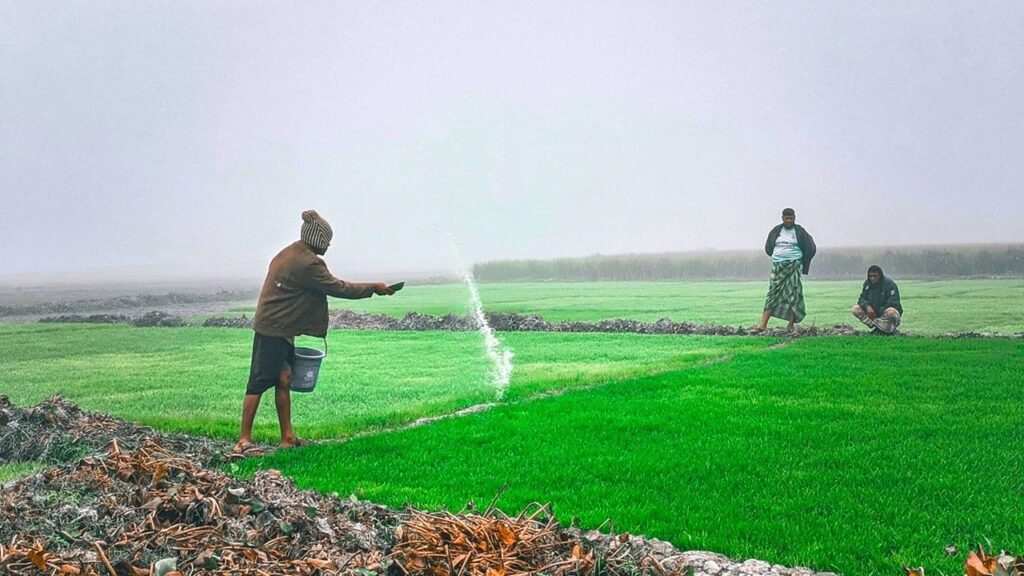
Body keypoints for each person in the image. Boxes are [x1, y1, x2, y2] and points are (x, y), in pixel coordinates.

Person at [234, 210, 395, 455]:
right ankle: (243, 440)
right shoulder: (308, 263)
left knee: (284, 377)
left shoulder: (291, 252)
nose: (329, 245)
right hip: (273, 329)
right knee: (257, 382)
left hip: (281, 326)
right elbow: (338, 287)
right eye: (327, 240)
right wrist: (373, 288)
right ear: (317, 239)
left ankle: (287, 437)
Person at [755, 207, 816, 333]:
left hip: (794, 265)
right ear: (782, 218)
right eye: (786, 218)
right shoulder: (776, 231)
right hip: (778, 266)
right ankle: (762, 324)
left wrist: (802, 261)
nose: (788, 220)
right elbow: (768, 248)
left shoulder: (800, 231)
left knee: (794, 294)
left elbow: (810, 248)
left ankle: (790, 325)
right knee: (772, 293)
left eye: (791, 218)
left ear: (794, 218)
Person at [852, 265, 903, 334]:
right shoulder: (867, 284)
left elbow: (894, 303)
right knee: (855, 309)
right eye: (871, 276)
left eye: (875, 276)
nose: (872, 278)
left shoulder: (889, 284)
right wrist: (867, 307)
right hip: (872, 313)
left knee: (891, 311)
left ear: (880, 276)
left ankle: (888, 329)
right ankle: (876, 326)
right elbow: (862, 299)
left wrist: (880, 310)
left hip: (886, 313)